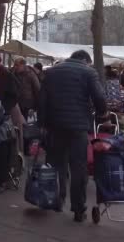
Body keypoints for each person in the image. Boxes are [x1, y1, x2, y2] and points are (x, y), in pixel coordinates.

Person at [38, 50, 107, 222]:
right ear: (85, 60)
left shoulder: (51, 72)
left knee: (56, 165)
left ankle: (56, 201)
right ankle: (78, 209)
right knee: (78, 168)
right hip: (78, 127)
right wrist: (102, 114)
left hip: (55, 126)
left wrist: (42, 124)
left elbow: (41, 100)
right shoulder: (88, 72)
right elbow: (99, 96)